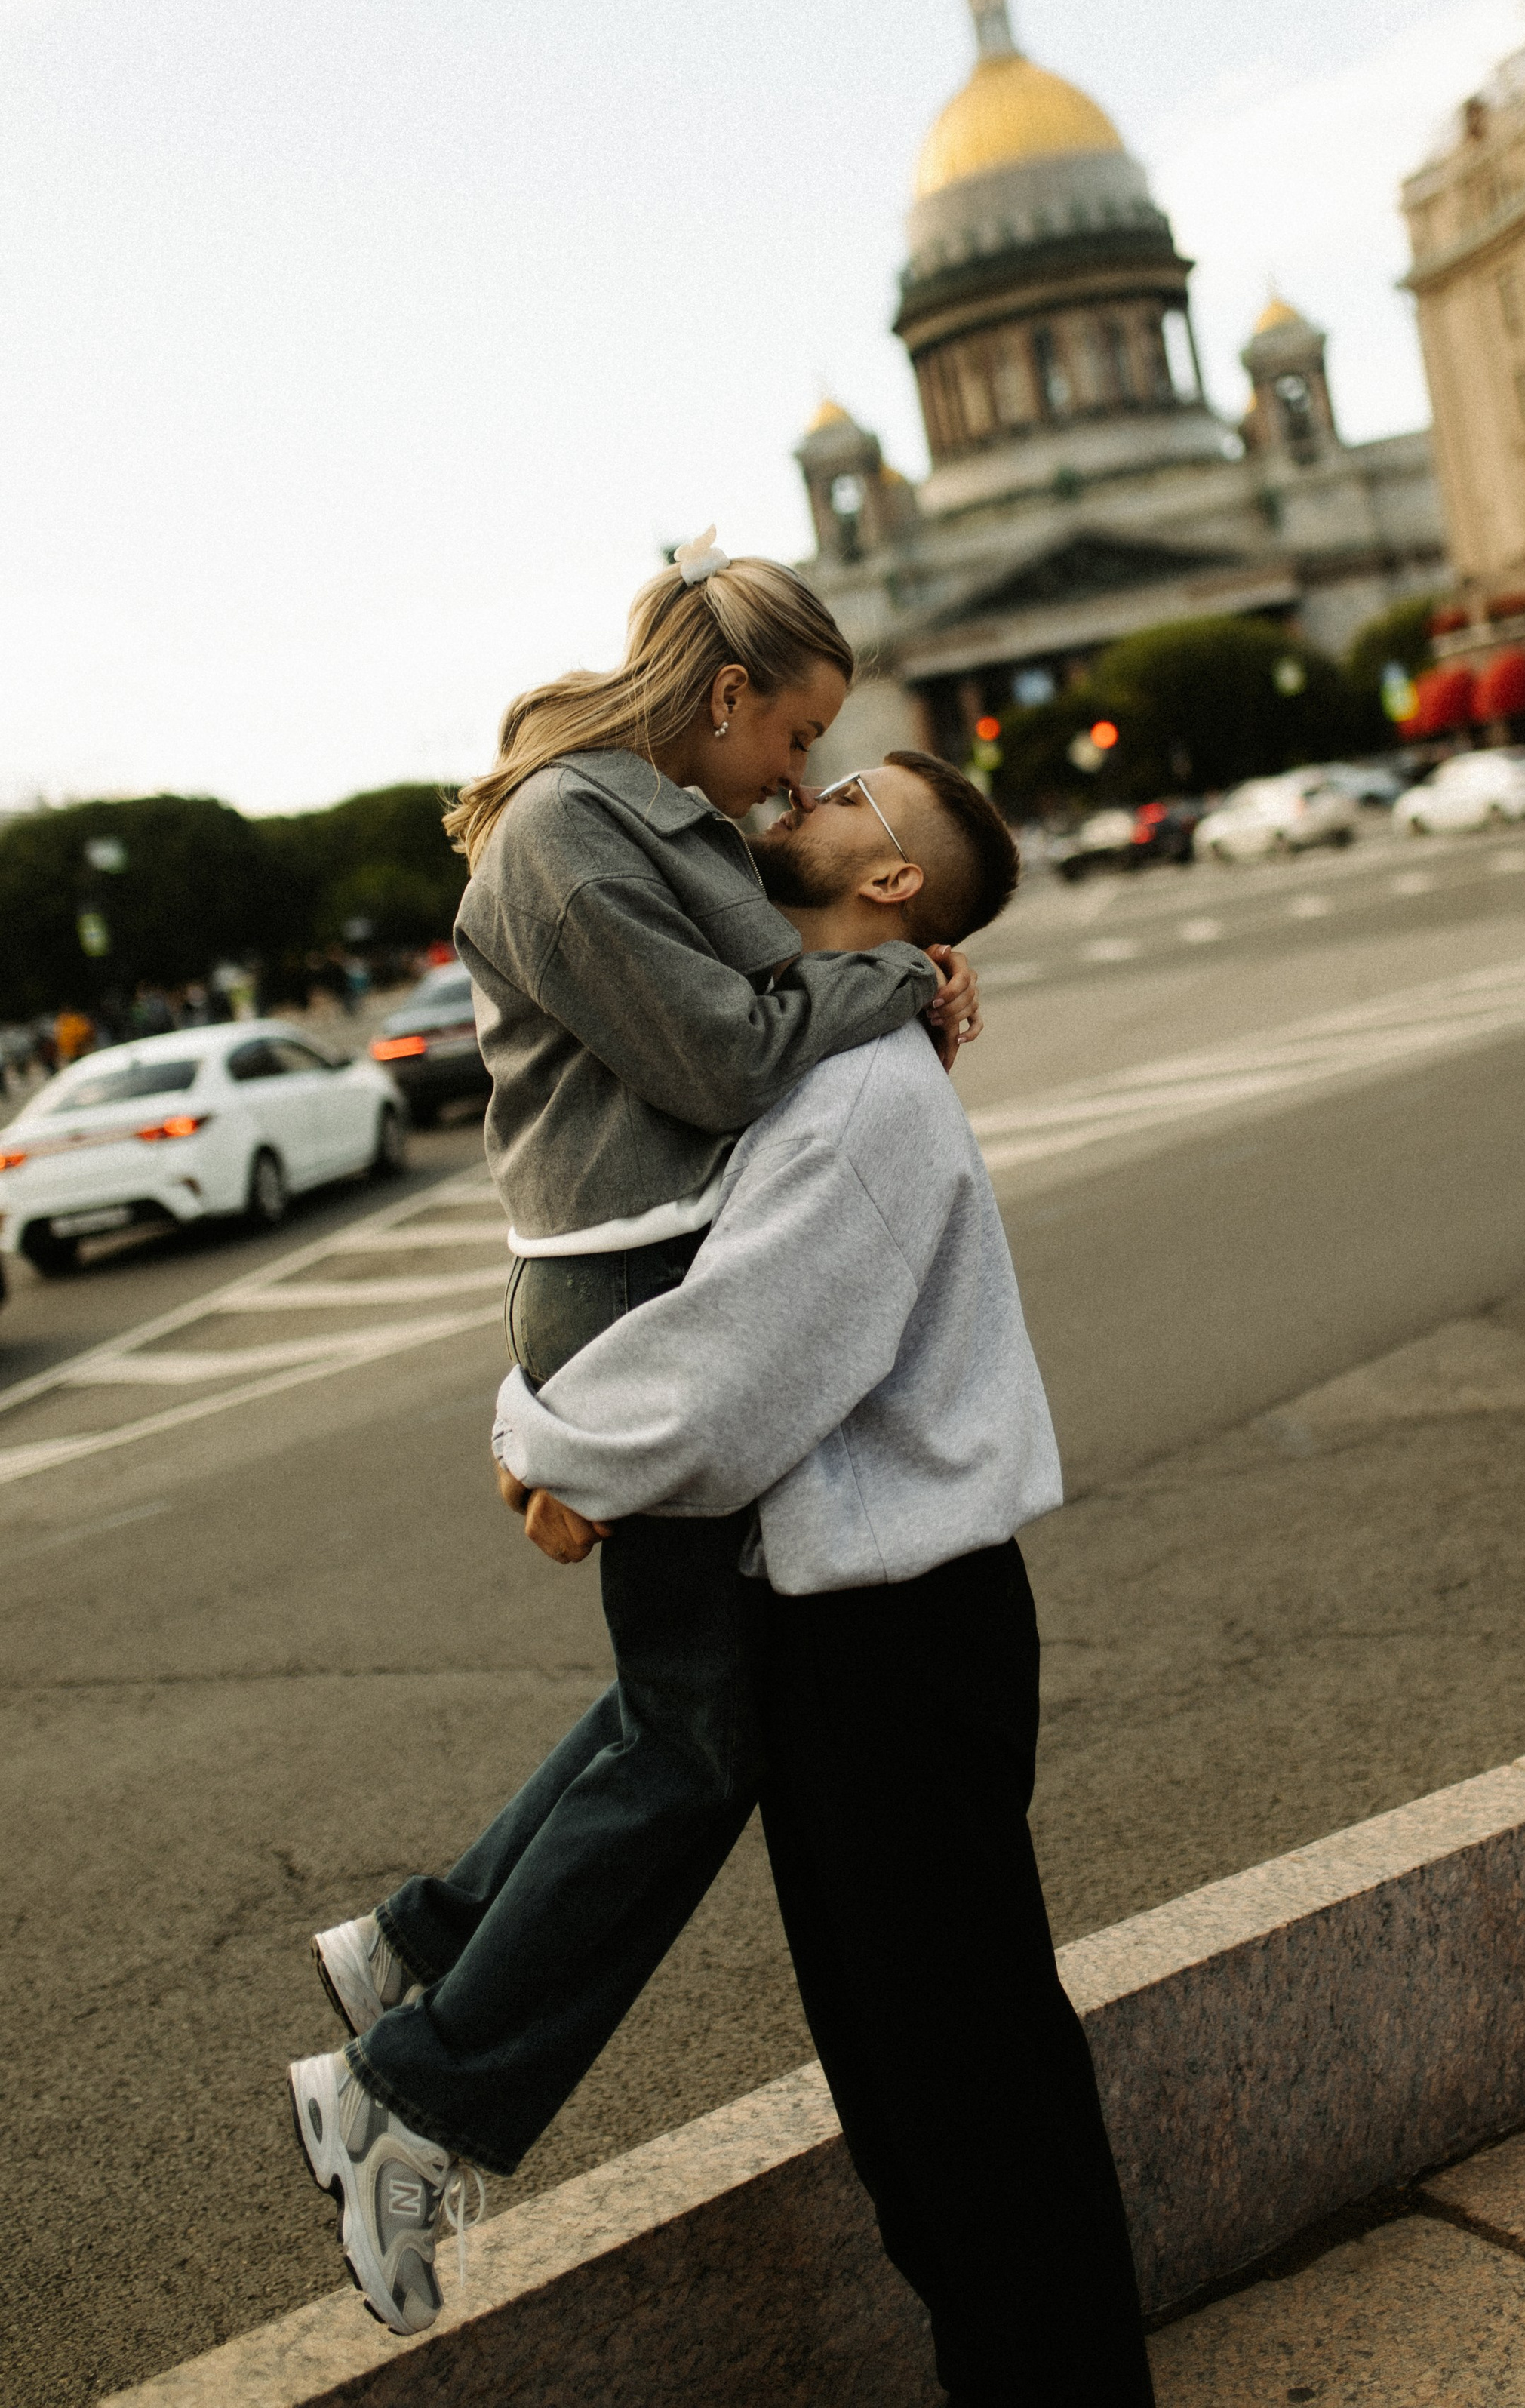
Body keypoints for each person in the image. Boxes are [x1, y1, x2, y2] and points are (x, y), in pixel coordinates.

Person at [297, 752, 1154, 2406]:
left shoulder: (863, 1095)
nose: (798, 791)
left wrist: (547, 1442)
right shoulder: (820, 1043)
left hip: (896, 1642)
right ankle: (422, 1980)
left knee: (960, 2074)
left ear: (890, 879)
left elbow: (743, 1358)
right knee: (910, 2073)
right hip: (851, 1623)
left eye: (847, 789)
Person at [289, 539, 980, 2333]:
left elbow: (788, 970)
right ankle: (409, 2094)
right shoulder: (566, 832)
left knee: (684, 1705)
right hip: (624, 1290)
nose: (796, 777)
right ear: (727, 692)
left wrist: (900, 959)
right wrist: (902, 986)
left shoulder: (665, 819)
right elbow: (722, 1055)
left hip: (665, 1272)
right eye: (796, 736)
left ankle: (421, 1949)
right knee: (694, 1743)